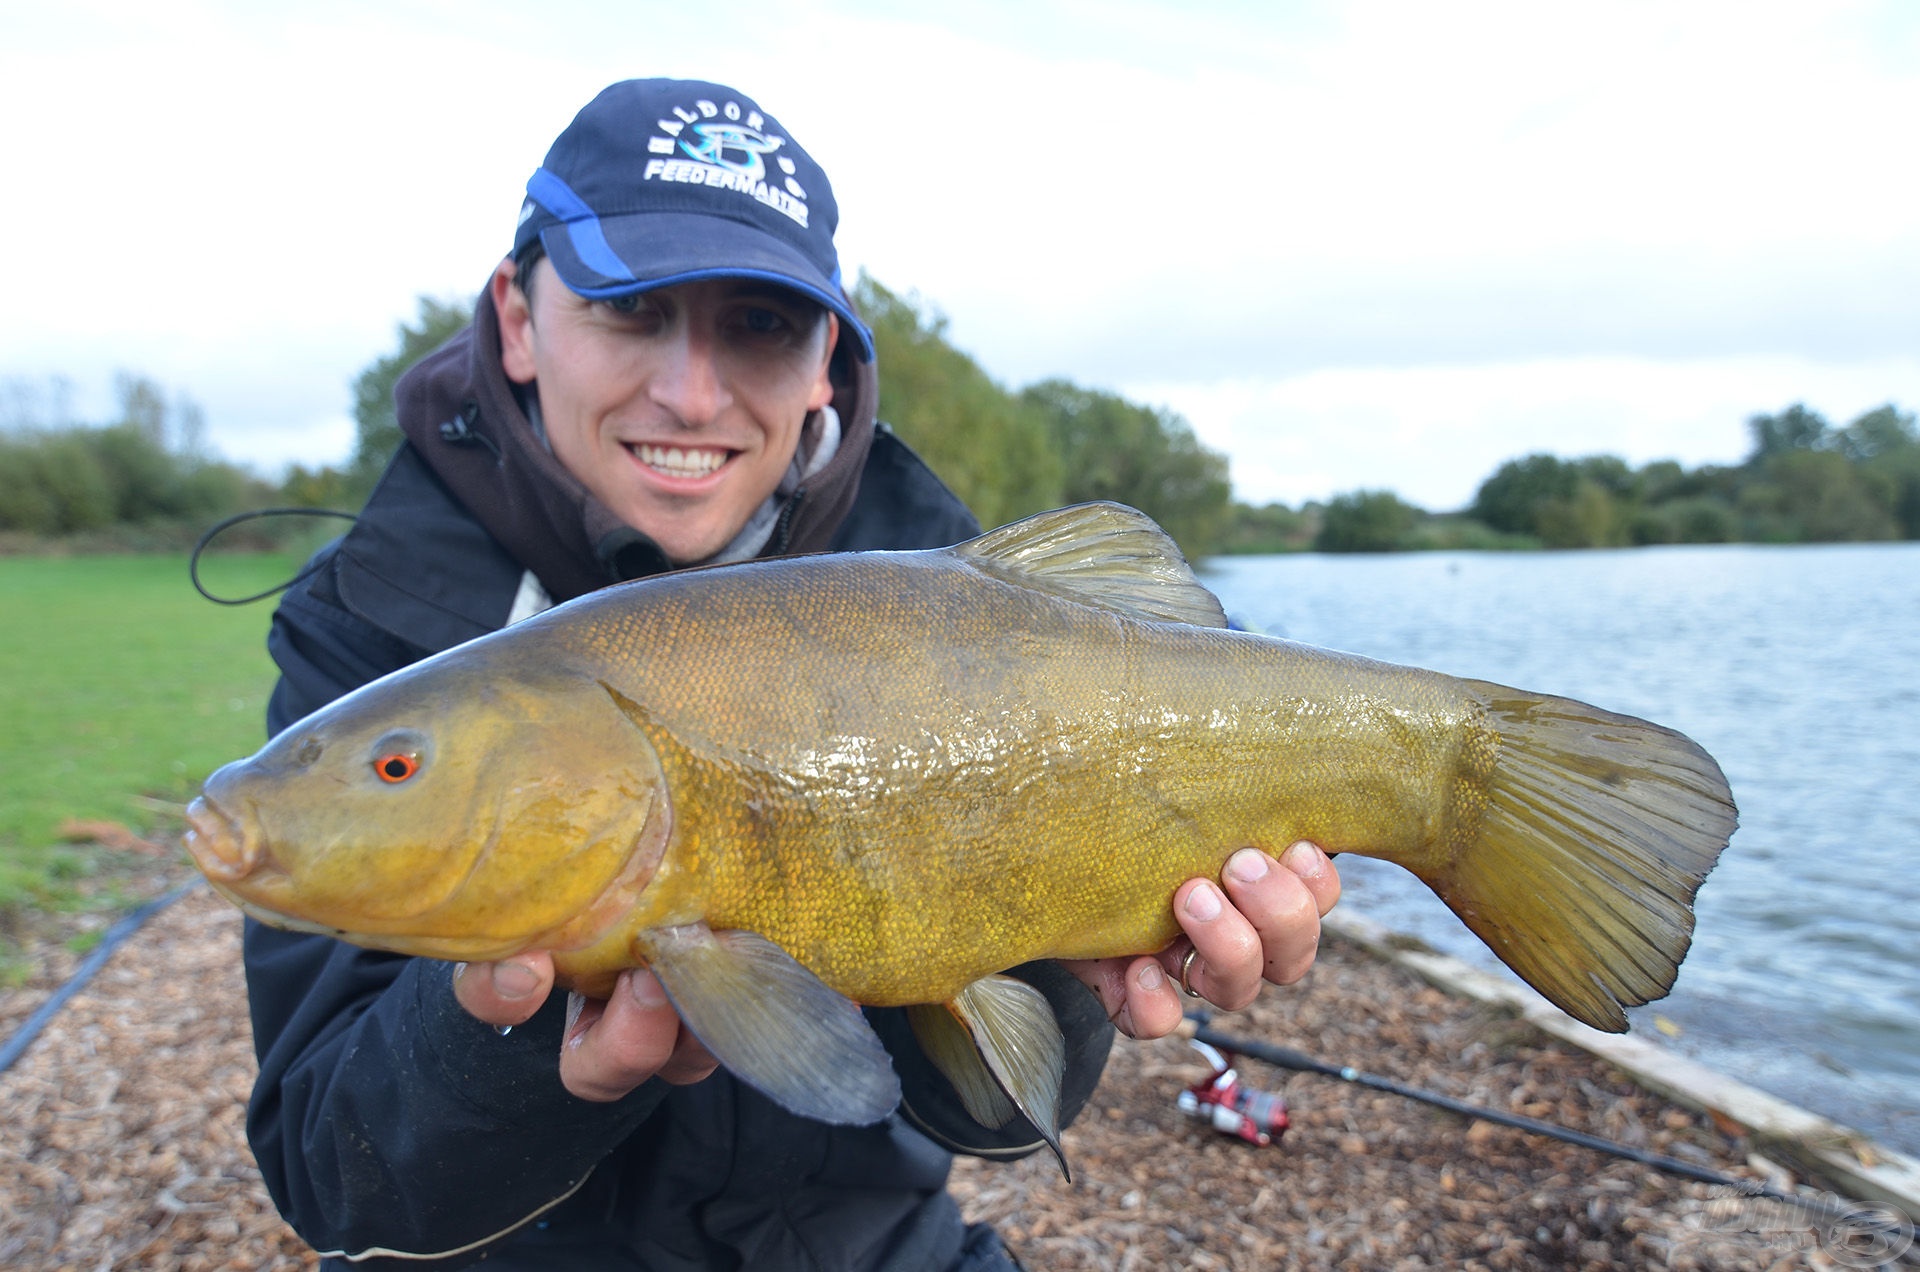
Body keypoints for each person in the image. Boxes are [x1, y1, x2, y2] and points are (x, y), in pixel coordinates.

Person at [246, 77, 1341, 1270]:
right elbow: (327, 1171)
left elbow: (1000, 1121)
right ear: (516, 318)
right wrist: (518, 1021)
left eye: (759, 327)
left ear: (828, 356)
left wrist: (1079, 951)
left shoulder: (966, 612)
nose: (692, 392)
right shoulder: (371, 622)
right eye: (632, 310)